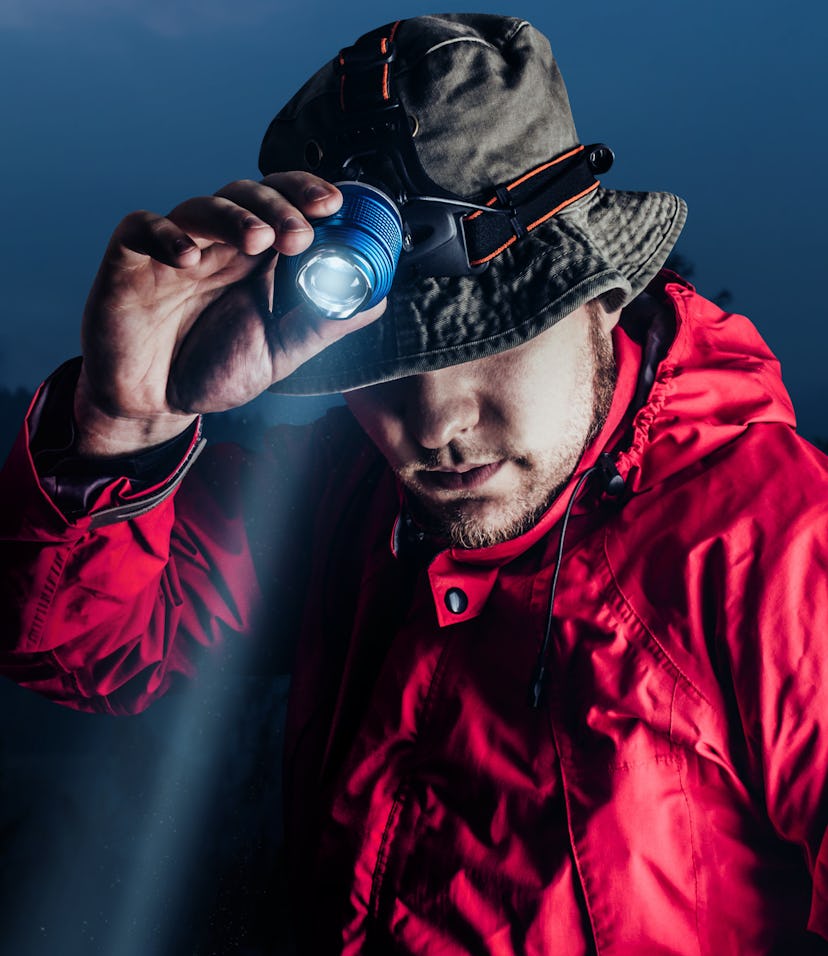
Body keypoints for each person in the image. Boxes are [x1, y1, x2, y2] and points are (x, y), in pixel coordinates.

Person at [1, 12, 827, 955]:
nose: (432, 425)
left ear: (603, 292)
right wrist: (128, 420)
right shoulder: (345, 493)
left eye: (498, 338)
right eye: (378, 368)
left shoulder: (779, 552)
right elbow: (81, 652)